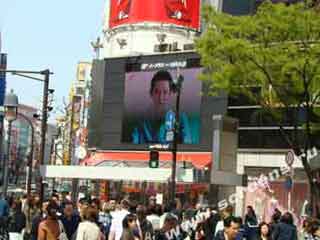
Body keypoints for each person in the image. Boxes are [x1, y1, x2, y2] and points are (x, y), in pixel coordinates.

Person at [131, 70, 193, 144]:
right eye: (157, 92)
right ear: (151, 93)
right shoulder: (140, 119)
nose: (161, 97)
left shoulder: (181, 118)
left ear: (170, 94)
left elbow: (187, 145)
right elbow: (133, 144)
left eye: (165, 92)